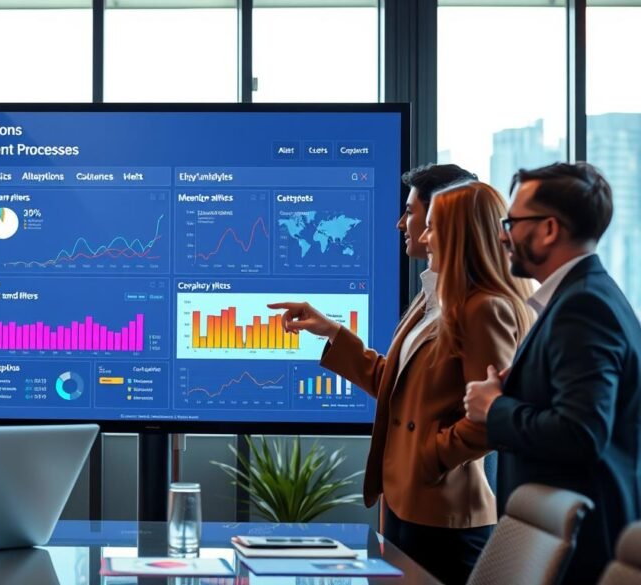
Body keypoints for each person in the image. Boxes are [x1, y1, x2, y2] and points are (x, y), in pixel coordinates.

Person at [269, 176, 533, 585]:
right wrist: (334, 334)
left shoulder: (484, 308)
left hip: (444, 517)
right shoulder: (435, 299)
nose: (421, 233)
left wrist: (427, 458)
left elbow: (491, 415)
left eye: (429, 222)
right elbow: (400, 390)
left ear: (458, 231)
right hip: (406, 504)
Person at [464, 162, 641, 584]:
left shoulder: (583, 308)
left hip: (579, 550)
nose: (503, 235)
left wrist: (496, 409)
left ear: (548, 229)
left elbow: (582, 432)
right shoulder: (582, 297)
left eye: (513, 222)